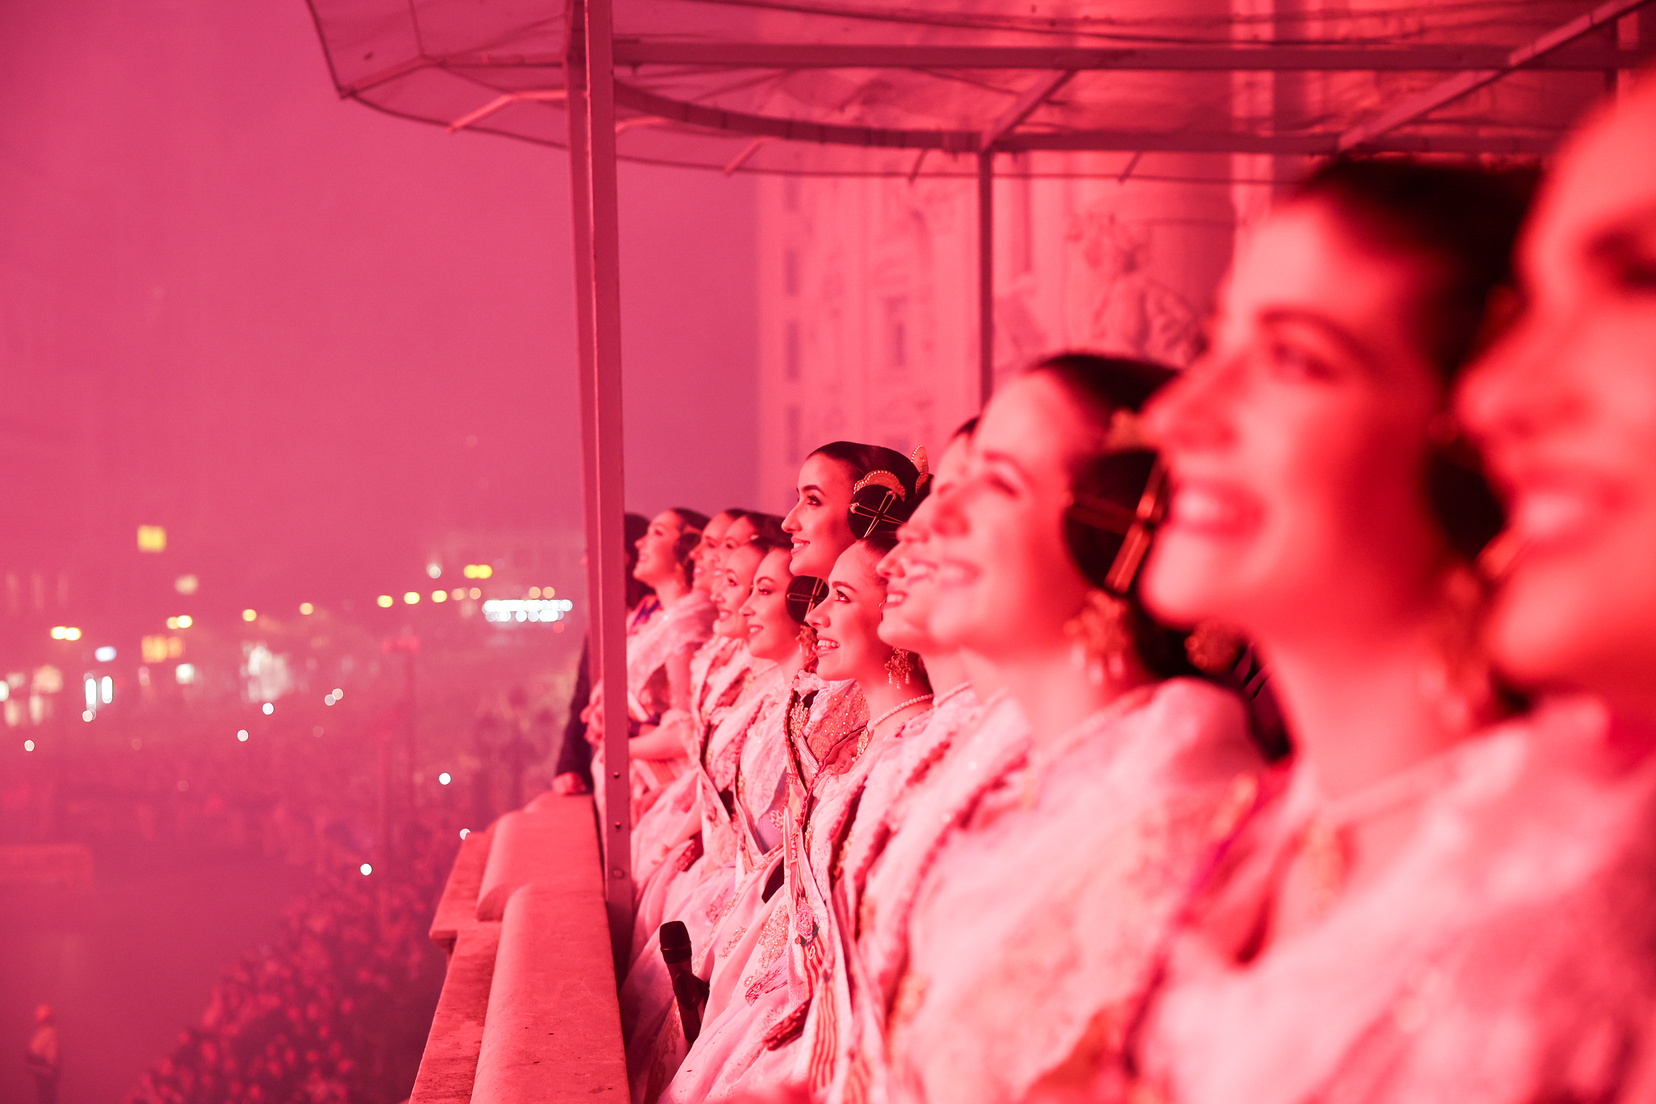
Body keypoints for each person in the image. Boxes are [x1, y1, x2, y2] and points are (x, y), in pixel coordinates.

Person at [1128, 157, 1648, 1104]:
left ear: (1465, 441)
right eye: (1214, 345)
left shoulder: (1578, 882)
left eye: (1294, 359)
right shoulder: (1269, 836)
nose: (1178, 413)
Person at [875, 353, 1261, 1104]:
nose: (937, 519)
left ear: (1114, 530)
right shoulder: (1021, 787)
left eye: (1000, 483)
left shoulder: (1170, 825)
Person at [667, 468, 932, 1104]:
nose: (811, 614)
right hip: (765, 961)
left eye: (839, 596)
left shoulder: (913, 744)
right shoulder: (857, 732)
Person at [589, 508, 718, 818]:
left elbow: (685, 728)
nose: (639, 544)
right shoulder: (665, 618)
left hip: (655, 787)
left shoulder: (687, 623)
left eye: (657, 533)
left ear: (687, 550)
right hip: (635, 775)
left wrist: (618, 745)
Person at [555, 511, 654, 795]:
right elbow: (582, 695)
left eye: (591, 552)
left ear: (622, 555)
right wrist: (569, 764)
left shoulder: (661, 619)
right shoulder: (603, 620)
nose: (584, 562)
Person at [26, 1004, 59, 1104]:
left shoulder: (48, 1033)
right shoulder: (49, 1032)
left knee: (45, 1099)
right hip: (46, 1074)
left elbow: (32, 1052)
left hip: (45, 1075)